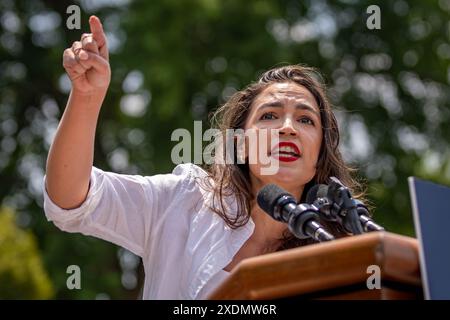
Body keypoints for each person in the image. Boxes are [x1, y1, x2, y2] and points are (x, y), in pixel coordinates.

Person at [43, 15, 364, 299]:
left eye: (306, 120)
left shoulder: (335, 260)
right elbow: (70, 200)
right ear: (240, 145)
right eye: (269, 116)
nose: (288, 128)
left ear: (319, 157)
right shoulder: (182, 202)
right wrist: (86, 97)